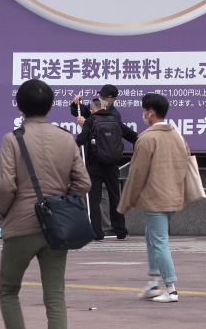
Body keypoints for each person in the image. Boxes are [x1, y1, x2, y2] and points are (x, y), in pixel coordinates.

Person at [0, 79, 91, 329]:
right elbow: (84, 183)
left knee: (9, 290)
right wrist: (62, 199)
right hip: (57, 228)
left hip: (21, 225)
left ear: (20, 107)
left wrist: (4, 211)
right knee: (55, 296)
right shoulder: (66, 139)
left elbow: (5, 185)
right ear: (51, 106)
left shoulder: (13, 139)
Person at [118, 93, 188, 303]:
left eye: (144, 110)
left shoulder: (147, 138)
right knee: (153, 237)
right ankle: (153, 282)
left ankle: (171, 288)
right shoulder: (177, 135)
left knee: (158, 241)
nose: (143, 114)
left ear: (150, 112)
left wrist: (126, 202)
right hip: (173, 196)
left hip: (155, 198)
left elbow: (137, 173)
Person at [75, 92, 138, 241]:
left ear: (91, 111)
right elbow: (134, 136)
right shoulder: (115, 120)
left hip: (94, 165)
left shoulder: (90, 121)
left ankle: (97, 233)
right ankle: (121, 231)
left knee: (94, 198)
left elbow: (82, 139)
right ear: (104, 108)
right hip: (112, 164)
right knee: (115, 197)